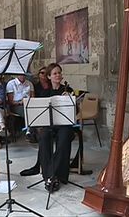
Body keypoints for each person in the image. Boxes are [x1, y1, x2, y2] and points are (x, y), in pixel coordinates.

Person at [38, 63, 74, 192]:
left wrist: (70, 101)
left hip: (64, 124)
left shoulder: (68, 90)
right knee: (43, 136)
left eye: (59, 72)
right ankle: (49, 176)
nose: (58, 75)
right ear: (49, 76)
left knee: (65, 137)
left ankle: (53, 175)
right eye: (54, 73)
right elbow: (39, 113)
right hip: (49, 124)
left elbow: (76, 111)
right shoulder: (45, 93)